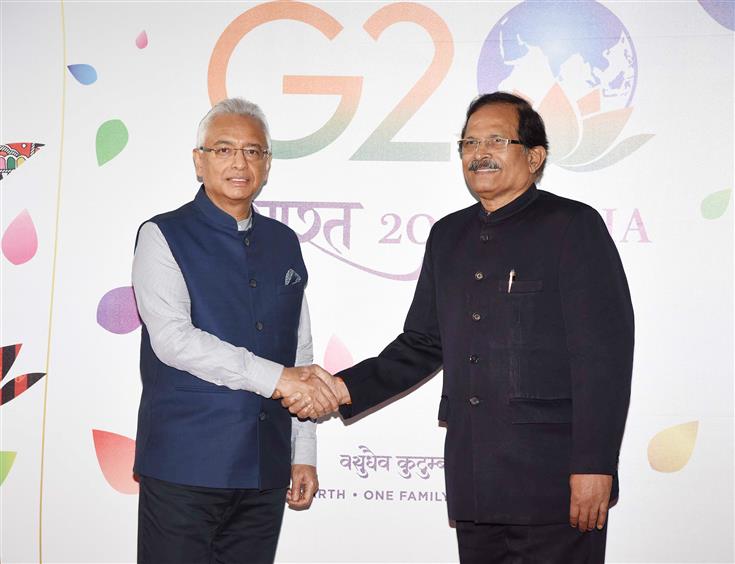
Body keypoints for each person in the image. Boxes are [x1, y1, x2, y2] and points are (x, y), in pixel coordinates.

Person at [287, 92, 634, 563]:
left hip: (554, 479)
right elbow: (423, 343)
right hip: (475, 478)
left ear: (535, 157)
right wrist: (342, 388)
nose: (478, 152)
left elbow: (603, 357)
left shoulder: (573, 226)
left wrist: (594, 464)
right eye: (468, 142)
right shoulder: (448, 236)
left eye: (496, 139)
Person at [131, 98, 338, 564]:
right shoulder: (163, 235)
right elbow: (174, 340)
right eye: (223, 150)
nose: (239, 163)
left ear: (267, 165)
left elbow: (298, 347)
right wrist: (277, 379)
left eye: (253, 151)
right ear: (198, 160)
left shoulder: (284, 242)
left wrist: (302, 451)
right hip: (185, 464)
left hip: (264, 467)